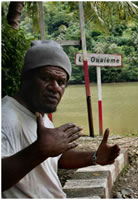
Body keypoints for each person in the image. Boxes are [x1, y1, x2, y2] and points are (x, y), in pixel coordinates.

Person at [1, 40, 120, 198]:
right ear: (25, 78)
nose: (55, 87)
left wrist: (95, 157)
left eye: (61, 82)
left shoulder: (38, 115)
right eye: (45, 78)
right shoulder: (5, 116)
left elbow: (56, 157)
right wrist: (39, 150)